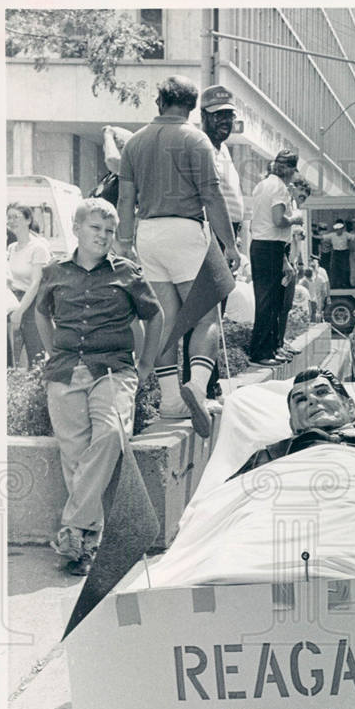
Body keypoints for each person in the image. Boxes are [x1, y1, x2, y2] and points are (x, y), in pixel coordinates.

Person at [35, 198, 163, 575]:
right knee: (75, 456)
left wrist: (147, 363)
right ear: (76, 229)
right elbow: (42, 312)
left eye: (109, 231)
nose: (104, 236)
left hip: (113, 370)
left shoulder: (127, 273)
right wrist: (51, 351)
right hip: (65, 372)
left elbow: (154, 316)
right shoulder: (54, 273)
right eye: (96, 228)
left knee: (110, 435)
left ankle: (72, 528)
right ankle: (85, 548)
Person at [117, 75, 239, 438]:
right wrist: (230, 244)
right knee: (205, 317)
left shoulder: (134, 143)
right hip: (186, 231)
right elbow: (212, 197)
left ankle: (170, 401)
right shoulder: (196, 139)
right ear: (191, 106)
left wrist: (124, 243)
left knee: (166, 321)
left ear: (160, 101)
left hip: (148, 233)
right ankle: (198, 388)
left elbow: (126, 200)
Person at [199, 84, 248, 394]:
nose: (225, 122)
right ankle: (206, 382)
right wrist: (225, 239)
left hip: (227, 234)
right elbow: (209, 196)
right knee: (208, 311)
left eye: (229, 116)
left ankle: (210, 377)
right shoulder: (202, 146)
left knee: (218, 309)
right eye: (218, 116)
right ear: (203, 117)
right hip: (212, 234)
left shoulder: (224, 149)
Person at [247, 149, 304, 366]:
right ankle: (261, 352)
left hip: (261, 244)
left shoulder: (263, 184)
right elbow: (279, 220)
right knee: (269, 302)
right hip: (271, 246)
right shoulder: (279, 188)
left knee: (269, 300)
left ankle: (269, 348)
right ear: (289, 169)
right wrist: (296, 217)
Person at [6, 203, 50, 368]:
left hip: (32, 305)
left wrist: (20, 311)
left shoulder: (38, 248)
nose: (11, 221)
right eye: (9, 217)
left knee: (36, 356)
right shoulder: (11, 248)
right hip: (12, 303)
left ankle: (39, 392)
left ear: (28, 219)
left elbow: (36, 282)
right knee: (13, 358)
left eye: (16, 217)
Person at [274, 175, 312, 362]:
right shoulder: (287, 209)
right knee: (278, 305)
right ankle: (276, 345)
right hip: (283, 263)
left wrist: (302, 263)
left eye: (304, 198)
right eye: (301, 195)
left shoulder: (297, 212)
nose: (301, 200)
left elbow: (300, 242)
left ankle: (281, 342)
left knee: (286, 306)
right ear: (293, 188)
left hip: (293, 263)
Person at [328, 219, 351, 289]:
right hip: (336, 252)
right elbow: (323, 237)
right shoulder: (332, 235)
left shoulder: (346, 234)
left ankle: (344, 284)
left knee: (344, 269)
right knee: (334, 268)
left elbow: (354, 237)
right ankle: (334, 284)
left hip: (344, 252)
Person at [311, 256, 330, 321]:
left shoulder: (322, 271)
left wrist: (328, 296)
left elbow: (326, 283)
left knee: (318, 311)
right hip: (312, 295)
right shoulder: (309, 270)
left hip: (319, 295)